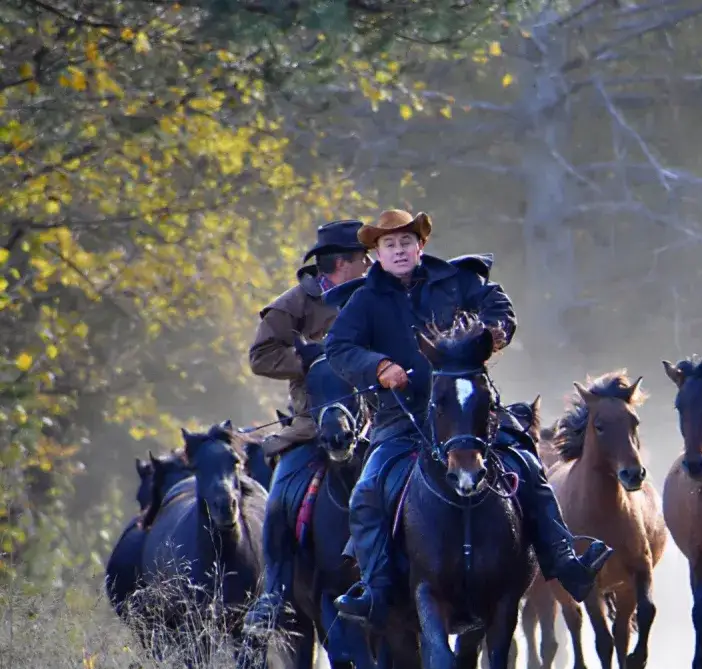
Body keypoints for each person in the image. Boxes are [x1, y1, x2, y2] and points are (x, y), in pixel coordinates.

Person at [325, 208, 612, 630]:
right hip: (401, 419)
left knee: (528, 467)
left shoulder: (454, 280)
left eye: (406, 242)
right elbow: (338, 347)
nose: (400, 251)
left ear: (420, 246)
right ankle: (377, 587)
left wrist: (494, 330)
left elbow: (497, 303)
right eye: (390, 245)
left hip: (469, 413)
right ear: (376, 254)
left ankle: (564, 562)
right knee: (367, 492)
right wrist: (378, 366)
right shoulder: (363, 300)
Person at [244, 220, 371, 633]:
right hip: (313, 426)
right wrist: (313, 362)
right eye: (363, 258)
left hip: (379, 422)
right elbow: (261, 356)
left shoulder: (377, 292)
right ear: (341, 264)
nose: (370, 263)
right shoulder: (292, 304)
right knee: (280, 499)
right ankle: (274, 596)